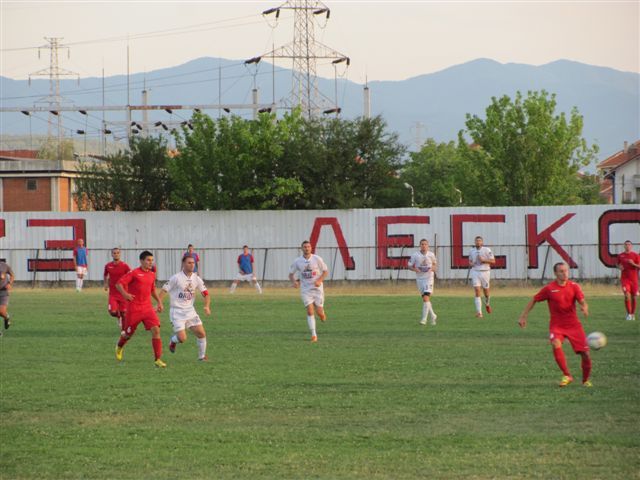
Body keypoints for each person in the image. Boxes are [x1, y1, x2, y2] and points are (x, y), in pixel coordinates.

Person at [518, 262, 592, 387]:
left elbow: (582, 301)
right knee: (555, 343)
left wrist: (584, 308)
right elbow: (534, 299)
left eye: (566, 271)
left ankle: (585, 380)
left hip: (574, 325)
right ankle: (567, 375)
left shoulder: (574, 286)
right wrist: (523, 316)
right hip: (557, 325)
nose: (565, 273)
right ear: (556, 273)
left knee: (585, 354)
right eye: (561, 271)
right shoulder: (549, 288)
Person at [115, 250, 166, 368]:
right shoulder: (134, 273)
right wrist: (125, 295)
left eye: (152, 260)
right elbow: (119, 284)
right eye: (148, 260)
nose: (150, 262)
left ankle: (157, 359)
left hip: (147, 308)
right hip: (134, 309)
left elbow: (152, 290)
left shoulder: (152, 274)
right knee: (128, 334)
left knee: (156, 330)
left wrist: (159, 302)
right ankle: (119, 346)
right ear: (141, 261)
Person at [159, 255, 211, 361]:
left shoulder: (196, 278)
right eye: (189, 263)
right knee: (182, 338)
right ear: (183, 264)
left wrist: (206, 306)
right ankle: (173, 341)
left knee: (201, 334)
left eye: (193, 263)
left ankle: (201, 357)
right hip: (177, 312)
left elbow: (206, 294)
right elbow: (164, 290)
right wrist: (160, 303)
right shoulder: (176, 278)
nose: (192, 265)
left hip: (190, 311)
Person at [289, 240, 328, 343]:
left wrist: (319, 280)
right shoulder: (297, 261)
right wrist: (294, 282)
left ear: (311, 248)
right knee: (310, 311)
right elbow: (291, 274)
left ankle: (322, 314)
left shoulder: (317, 259)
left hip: (317, 289)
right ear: (302, 248)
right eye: (305, 247)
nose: (307, 248)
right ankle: (313, 334)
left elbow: (325, 271)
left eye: (308, 246)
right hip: (306, 290)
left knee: (319, 311)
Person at [408, 239, 438, 325]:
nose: (424, 246)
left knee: (426, 298)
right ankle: (433, 315)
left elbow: (435, 265)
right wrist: (414, 269)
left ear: (428, 246)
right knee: (425, 300)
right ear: (420, 246)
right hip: (420, 279)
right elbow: (409, 266)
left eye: (425, 244)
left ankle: (424, 319)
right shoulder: (415, 255)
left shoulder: (431, 254)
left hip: (429, 278)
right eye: (422, 244)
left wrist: (433, 268)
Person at [103, 248, 131, 330]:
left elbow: (131, 276)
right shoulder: (108, 266)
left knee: (124, 313)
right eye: (114, 253)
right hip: (113, 293)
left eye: (117, 253)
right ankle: (119, 317)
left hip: (123, 293)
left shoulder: (125, 266)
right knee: (112, 312)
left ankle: (123, 331)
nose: (116, 254)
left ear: (120, 254)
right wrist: (105, 284)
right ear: (112, 254)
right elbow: (105, 275)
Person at [468, 236, 495, 317]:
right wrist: (471, 264)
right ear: (474, 242)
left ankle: (487, 304)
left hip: (485, 272)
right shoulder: (471, 251)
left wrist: (484, 260)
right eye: (476, 241)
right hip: (475, 272)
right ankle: (479, 312)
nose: (478, 242)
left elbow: (493, 261)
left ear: (482, 242)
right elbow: (470, 261)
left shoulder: (487, 250)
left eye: (480, 241)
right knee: (477, 291)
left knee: (486, 293)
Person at [617, 240, 640, 321]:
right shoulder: (621, 255)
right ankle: (629, 314)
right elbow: (618, 264)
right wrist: (619, 267)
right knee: (627, 296)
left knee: (634, 297)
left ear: (631, 246)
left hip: (634, 280)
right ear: (624, 246)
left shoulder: (636, 255)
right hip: (625, 279)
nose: (627, 246)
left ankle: (633, 314)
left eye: (629, 244)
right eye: (626, 244)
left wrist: (633, 264)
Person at [0, 259, 14, 336]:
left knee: (1, 311)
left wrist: (9, 283)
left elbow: (12, 275)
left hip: (3, 291)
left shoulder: (4, 266)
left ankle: (6, 317)